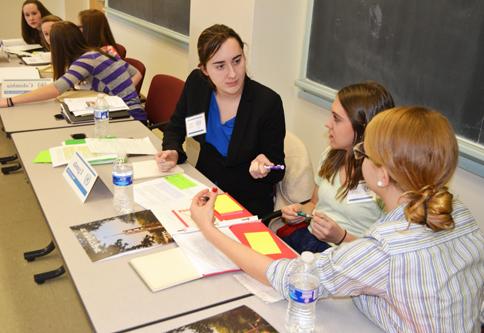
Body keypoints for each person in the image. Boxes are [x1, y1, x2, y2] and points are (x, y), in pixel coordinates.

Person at [190, 106, 484, 332]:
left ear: (382, 176)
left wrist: (209, 228)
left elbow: (288, 278)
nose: (359, 158)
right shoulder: (457, 212)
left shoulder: (387, 248)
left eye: (365, 153)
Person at [156, 24, 285, 217]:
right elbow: (175, 126)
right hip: (203, 190)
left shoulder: (267, 103)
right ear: (204, 69)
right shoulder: (197, 84)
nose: (232, 73)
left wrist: (265, 167)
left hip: (246, 203)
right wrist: (173, 150)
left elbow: (278, 168)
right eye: (220, 66)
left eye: (237, 61)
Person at [278, 82, 395, 253]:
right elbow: (314, 204)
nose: (328, 124)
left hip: (347, 257)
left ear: (364, 127)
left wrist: (341, 237)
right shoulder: (331, 155)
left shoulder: (384, 178)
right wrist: (299, 212)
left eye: (337, 119)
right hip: (310, 241)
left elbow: (383, 251)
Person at [0, 22, 146, 121]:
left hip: (130, 116)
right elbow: (134, 72)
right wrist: (119, 92)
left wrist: (10, 101)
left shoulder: (87, 59)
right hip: (123, 110)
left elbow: (55, 89)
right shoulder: (94, 52)